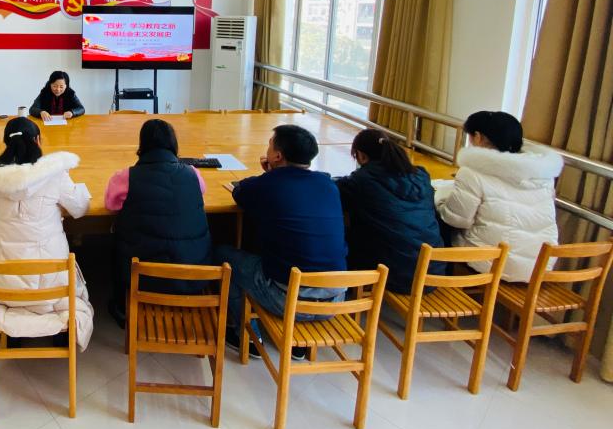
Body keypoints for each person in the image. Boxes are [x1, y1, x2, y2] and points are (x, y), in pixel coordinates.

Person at [214, 125, 347, 358]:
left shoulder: (269, 185)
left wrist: (269, 175)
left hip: (287, 300)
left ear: (277, 156)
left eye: (270, 144)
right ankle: (299, 341)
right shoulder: (328, 185)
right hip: (335, 300)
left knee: (223, 255)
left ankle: (246, 336)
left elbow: (240, 192)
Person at [0, 117, 94, 349]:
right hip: (49, 285)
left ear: (6, 143)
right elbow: (80, 208)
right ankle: (59, 330)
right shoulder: (55, 174)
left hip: (0, 285)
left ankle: (11, 330)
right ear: (38, 140)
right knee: (56, 268)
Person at [105, 119, 211, 325]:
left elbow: (111, 205)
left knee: (115, 238)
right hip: (192, 276)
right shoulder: (193, 173)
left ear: (142, 144)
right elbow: (201, 191)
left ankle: (121, 306)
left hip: (143, 277)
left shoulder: (126, 177)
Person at [435, 110, 562, 282]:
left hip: (493, 263)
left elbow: (456, 219)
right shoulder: (543, 174)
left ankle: (441, 285)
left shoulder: (472, 172)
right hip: (539, 265)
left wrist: (440, 198)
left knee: (439, 225)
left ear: (478, 137)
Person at [335, 129, 445, 293]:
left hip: (396, 274)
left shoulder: (362, 180)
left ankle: (346, 285)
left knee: (345, 230)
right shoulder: (421, 176)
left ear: (361, 156)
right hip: (433, 270)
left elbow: (334, 192)